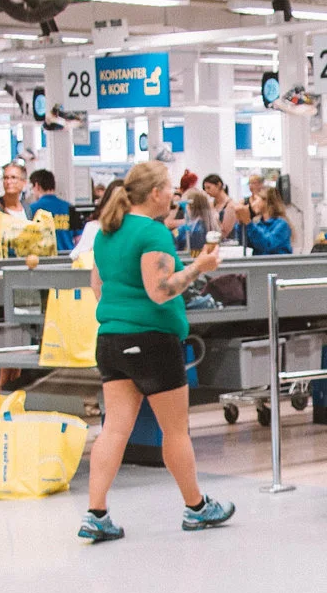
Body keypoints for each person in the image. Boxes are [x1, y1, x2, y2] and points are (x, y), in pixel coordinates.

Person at [77, 161, 234, 543]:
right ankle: (196, 508)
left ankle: (96, 514)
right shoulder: (152, 233)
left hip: (112, 340)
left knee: (114, 429)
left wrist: (122, 317)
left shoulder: (106, 233)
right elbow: (161, 290)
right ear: (154, 194)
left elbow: (98, 287)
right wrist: (200, 266)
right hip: (152, 342)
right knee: (176, 431)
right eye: (169, 188)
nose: (174, 195)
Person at [24, 168, 74, 254]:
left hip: (45, 260)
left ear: (36, 186)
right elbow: (78, 238)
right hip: (69, 257)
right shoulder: (70, 208)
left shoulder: (31, 209)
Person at [242, 185, 294, 255]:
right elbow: (245, 242)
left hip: (276, 264)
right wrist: (241, 223)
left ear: (265, 201)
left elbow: (267, 244)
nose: (252, 204)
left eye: (255, 200)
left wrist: (248, 223)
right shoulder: (257, 224)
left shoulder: (282, 225)